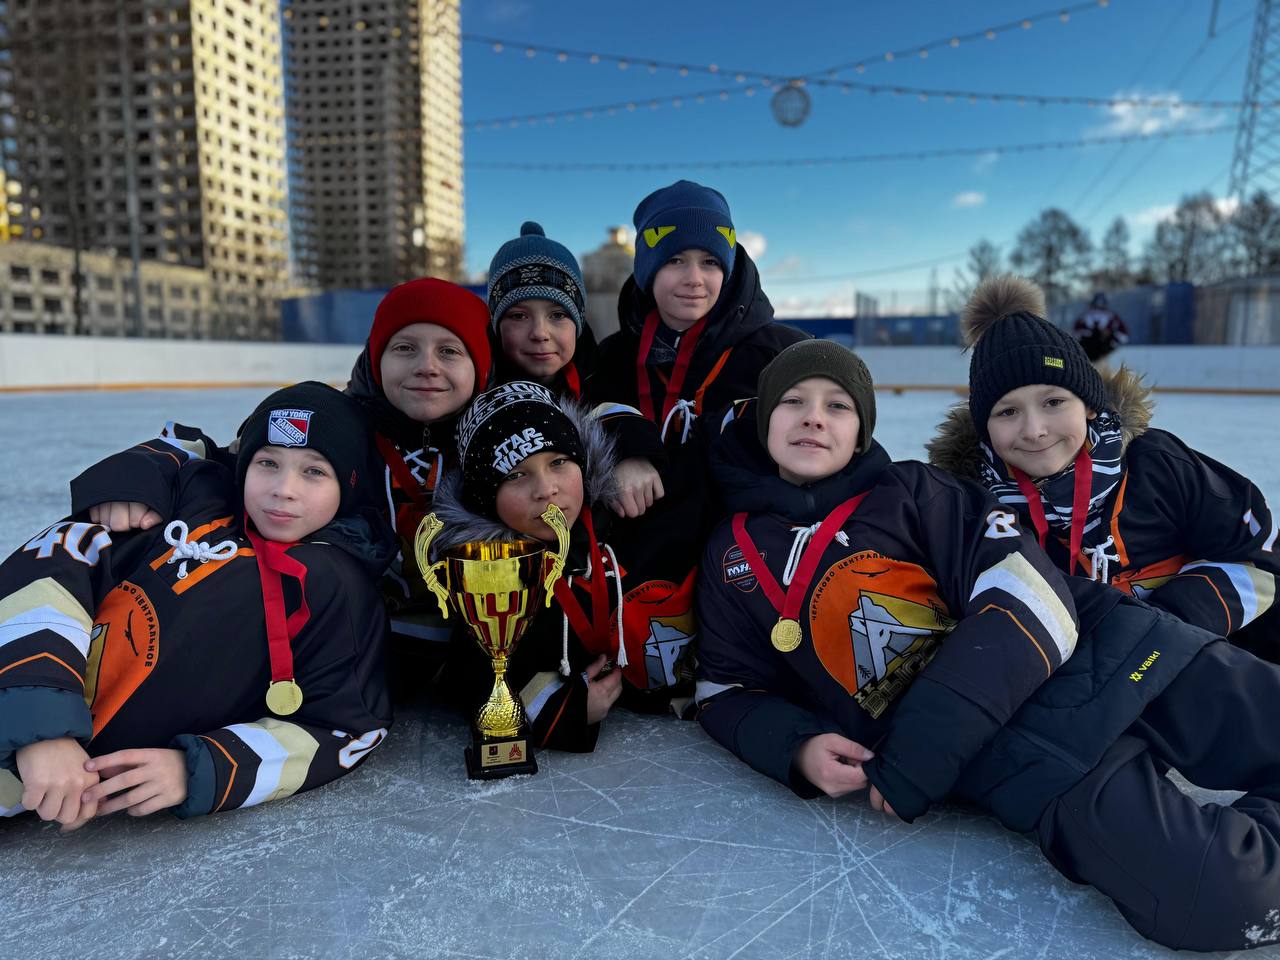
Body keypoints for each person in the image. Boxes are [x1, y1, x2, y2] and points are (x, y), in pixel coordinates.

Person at [695, 339, 1280, 951]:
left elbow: (1030, 597)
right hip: (1031, 758)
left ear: (863, 430)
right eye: (793, 400)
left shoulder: (916, 491)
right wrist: (795, 746)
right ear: (764, 419)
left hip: (1128, 653)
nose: (814, 416)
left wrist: (919, 755)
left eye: (838, 405)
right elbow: (724, 688)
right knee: (1220, 899)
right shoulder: (730, 555)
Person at [0, 382, 395, 827]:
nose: (284, 489)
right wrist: (40, 729)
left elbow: (345, 728)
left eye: (314, 472)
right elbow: (55, 560)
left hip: (71, 783)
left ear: (351, 484)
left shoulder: (338, 590)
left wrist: (198, 769)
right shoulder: (186, 506)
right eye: (267, 463)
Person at [73, 278, 494, 680]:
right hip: (338, 642)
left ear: (480, 363)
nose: (427, 367)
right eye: (404, 348)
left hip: (477, 649)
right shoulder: (335, 426)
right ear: (375, 357)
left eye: (450, 352)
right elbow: (212, 458)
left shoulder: (499, 439)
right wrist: (132, 481)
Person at [928, 275, 1277, 658]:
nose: (1035, 430)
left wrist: (1167, 623)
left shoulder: (1159, 466)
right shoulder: (973, 511)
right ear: (984, 431)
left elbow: (1257, 561)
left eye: (1054, 402)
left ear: (1090, 405)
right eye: (1008, 411)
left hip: (1198, 662)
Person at [428, 381, 697, 752]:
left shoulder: (627, 511)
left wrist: (634, 452)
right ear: (486, 499)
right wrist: (566, 711)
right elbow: (471, 678)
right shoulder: (487, 575)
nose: (547, 489)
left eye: (558, 462)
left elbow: (720, 450)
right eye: (516, 475)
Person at [485, 221, 668, 521]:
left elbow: (615, 410)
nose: (540, 333)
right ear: (495, 326)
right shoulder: (478, 393)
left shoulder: (605, 375)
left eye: (557, 315)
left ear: (578, 325)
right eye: (518, 316)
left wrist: (631, 454)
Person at [1072, 292, 1130, 363]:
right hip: (1102, 353)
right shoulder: (1112, 316)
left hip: (1092, 353)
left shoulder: (1084, 316)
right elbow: (1124, 337)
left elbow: (1075, 335)